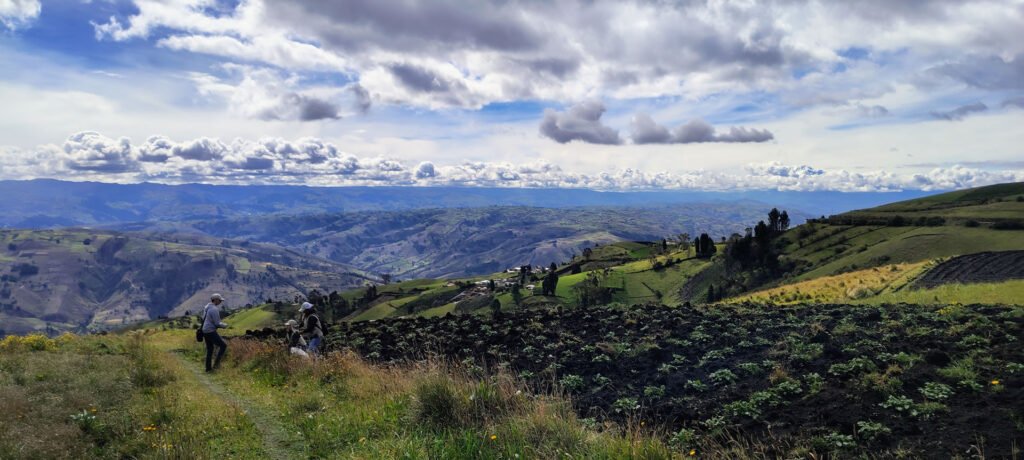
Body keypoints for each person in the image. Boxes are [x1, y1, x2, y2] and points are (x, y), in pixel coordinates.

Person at [200, 293, 229, 372]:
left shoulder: (206, 308)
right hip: (210, 330)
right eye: (219, 300)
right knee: (223, 345)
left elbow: (203, 319)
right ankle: (216, 365)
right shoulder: (214, 309)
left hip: (205, 330)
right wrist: (225, 325)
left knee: (210, 349)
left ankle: (208, 368)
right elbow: (217, 323)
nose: (220, 302)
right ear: (215, 300)